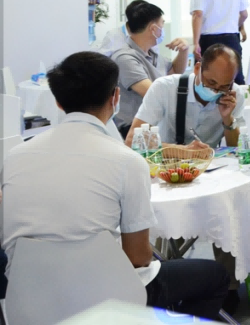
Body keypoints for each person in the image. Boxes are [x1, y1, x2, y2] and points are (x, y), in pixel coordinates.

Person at [1, 52, 228, 320]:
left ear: (58, 102)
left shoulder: (13, 157)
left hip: (26, 300)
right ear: (115, 97)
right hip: (104, 299)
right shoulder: (126, 161)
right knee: (216, 276)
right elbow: (138, 258)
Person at [126, 44, 244, 147]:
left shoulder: (234, 96)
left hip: (211, 162)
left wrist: (228, 119)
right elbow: (132, 140)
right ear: (197, 69)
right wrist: (181, 151)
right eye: (211, 82)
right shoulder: (164, 87)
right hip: (167, 159)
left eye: (224, 86)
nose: (215, 91)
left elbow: (236, 149)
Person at [111, 0, 190, 136]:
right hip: (134, 130)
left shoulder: (153, 54)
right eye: (162, 24)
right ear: (153, 29)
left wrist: (184, 51)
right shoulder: (125, 58)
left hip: (155, 126)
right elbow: (152, 93)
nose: (163, 30)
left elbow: (175, 72)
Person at [190, 0, 248, 84]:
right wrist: (236, 26)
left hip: (208, 40)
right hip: (231, 38)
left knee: (205, 78)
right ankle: (238, 97)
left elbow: (197, 15)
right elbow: (244, 14)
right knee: (235, 76)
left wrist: (196, 43)